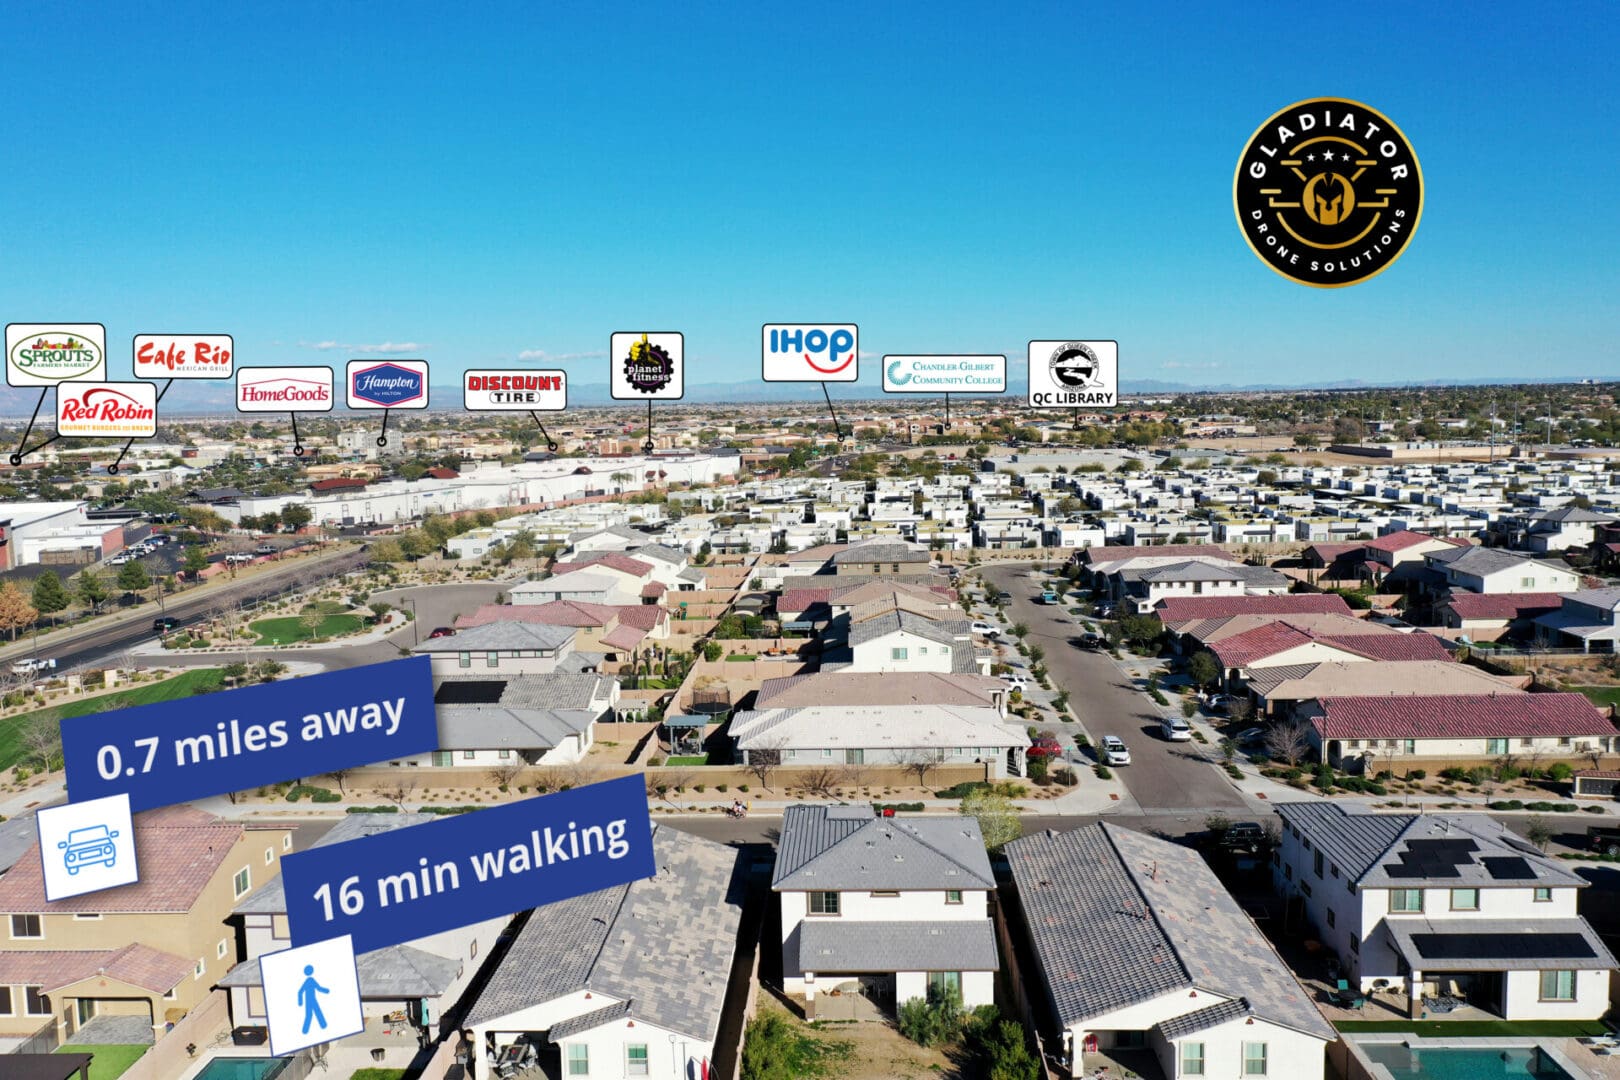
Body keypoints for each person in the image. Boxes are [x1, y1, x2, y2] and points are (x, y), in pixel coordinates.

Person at [297, 964, 330, 1034]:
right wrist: (300, 1002)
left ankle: (323, 1025)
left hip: (312, 999)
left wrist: (326, 991)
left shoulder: (310, 980)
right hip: (309, 1000)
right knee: (310, 1014)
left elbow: (318, 988)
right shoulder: (309, 981)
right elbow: (300, 991)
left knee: (316, 1012)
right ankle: (305, 1030)